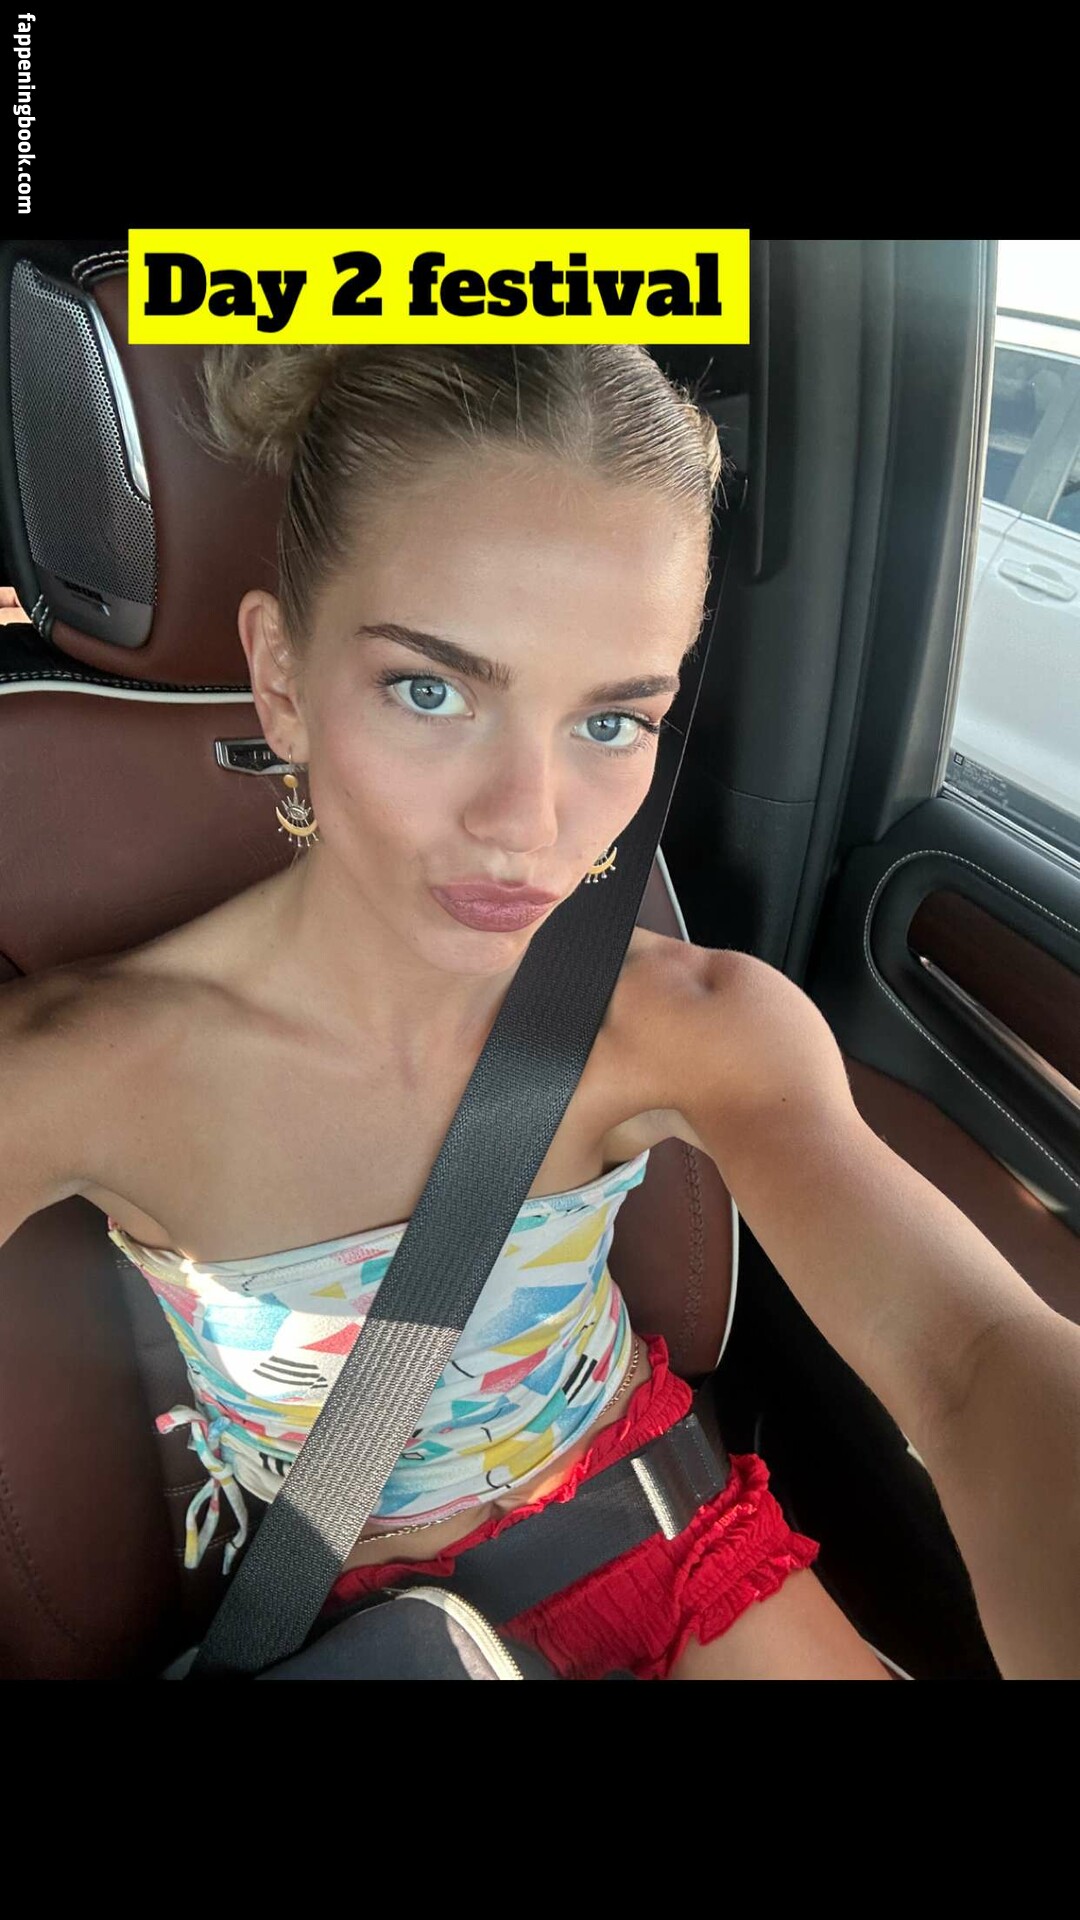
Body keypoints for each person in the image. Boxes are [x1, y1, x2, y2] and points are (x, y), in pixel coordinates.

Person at [1, 344, 1077, 1681]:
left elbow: (971, 1357)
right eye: (432, 690)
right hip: (348, 1626)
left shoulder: (688, 1023)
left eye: (611, 723)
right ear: (281, 678)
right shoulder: (88, 1070)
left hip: (673, 1549)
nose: (528, 826)